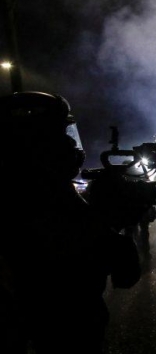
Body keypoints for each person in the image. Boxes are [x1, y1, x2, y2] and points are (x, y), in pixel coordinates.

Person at [0, 91, 141, 353]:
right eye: (62, 133)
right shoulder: (41, 192)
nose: (68, 143)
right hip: (62, 326)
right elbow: (119, 269)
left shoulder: (21, 185)